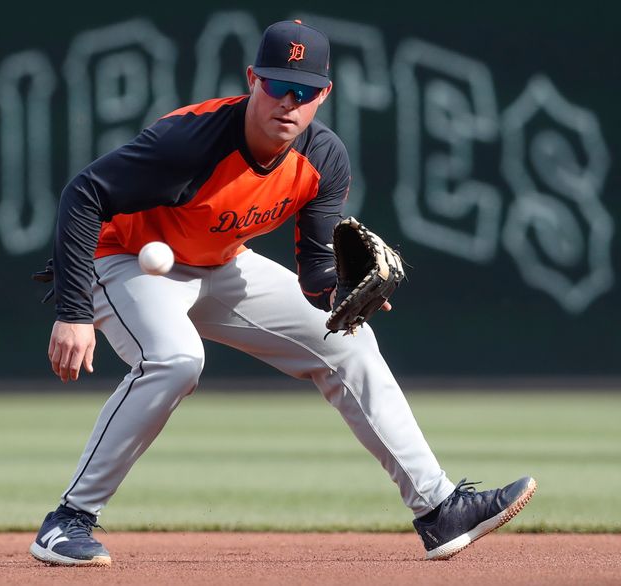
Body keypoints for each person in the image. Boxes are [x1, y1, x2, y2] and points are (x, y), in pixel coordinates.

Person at [29, 20, 536, 566]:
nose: (289, 103)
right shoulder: (189, 144)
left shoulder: (323, 160)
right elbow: (83, 195)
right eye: (276, 85)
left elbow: (314, 269)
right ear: (252, 80)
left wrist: (342, 292)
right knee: (175, 360)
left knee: (348, 342)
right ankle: (68, 520)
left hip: (220, 262)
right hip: (125, 260)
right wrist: (74, 312)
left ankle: (440, 511)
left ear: (324, 94)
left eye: (305, 91)